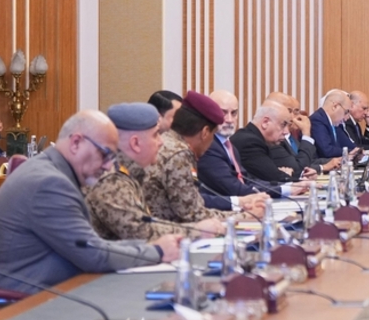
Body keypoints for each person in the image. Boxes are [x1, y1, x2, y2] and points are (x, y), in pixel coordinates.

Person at [0, 110, 181, 293]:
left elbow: (88, 243)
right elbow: (94, 254)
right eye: (105, 154)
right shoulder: (49, 184)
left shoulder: (51, 170)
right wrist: (158, 251)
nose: (108, 166)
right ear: (76, 142)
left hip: (45, 293)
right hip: (16, 304)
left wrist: (148, 246)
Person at [86, 103, 223, 240]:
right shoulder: (111, 181)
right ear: (135, 144)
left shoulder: (131, 172)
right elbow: (142, 233)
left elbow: (148, 222)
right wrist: (197, 231)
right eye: (156, 135)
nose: (161, 142)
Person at [143, 91, 264, 223]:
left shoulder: (167, 140)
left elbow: (193, 202)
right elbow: (193, 214)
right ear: (205, 132)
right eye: (213, 136)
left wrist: (238, 205)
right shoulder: (179, 154)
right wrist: (248, 216)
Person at [196, 90, 269, 211]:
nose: (229, 119)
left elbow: (246, 180)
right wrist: (267, 194)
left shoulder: (230, 147)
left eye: (234, 113)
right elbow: (233, 188)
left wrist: (287, 187)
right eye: (223, 113)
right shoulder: (208, 146)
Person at [232, 100, 314, 187]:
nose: (286, 131)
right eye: (283, 125)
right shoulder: (249, 142)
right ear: (265, 122)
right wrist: (299, 179)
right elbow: (274, 177)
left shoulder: (259, 139)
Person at [310, 89, 360, 158]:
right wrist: (349, 152)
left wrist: (357, 151)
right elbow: (327, 150)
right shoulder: (317, 120)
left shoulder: (333, 123)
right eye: (346, 112)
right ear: (335, 106)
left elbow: (349, 146)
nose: (347, 117)